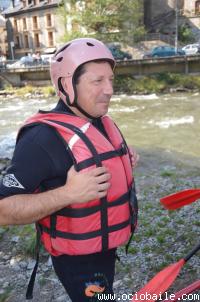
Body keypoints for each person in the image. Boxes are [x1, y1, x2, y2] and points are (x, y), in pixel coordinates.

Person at [0, 38, 138, 302]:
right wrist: (68, 193)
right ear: (66, 84)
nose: (109, 89)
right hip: (78, 260)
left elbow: (95, 160)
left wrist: (122, 161)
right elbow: (3, 210)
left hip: (105, 244)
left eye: (111, 79)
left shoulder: (98, 121)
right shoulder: (41, 139)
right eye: (97, 81)